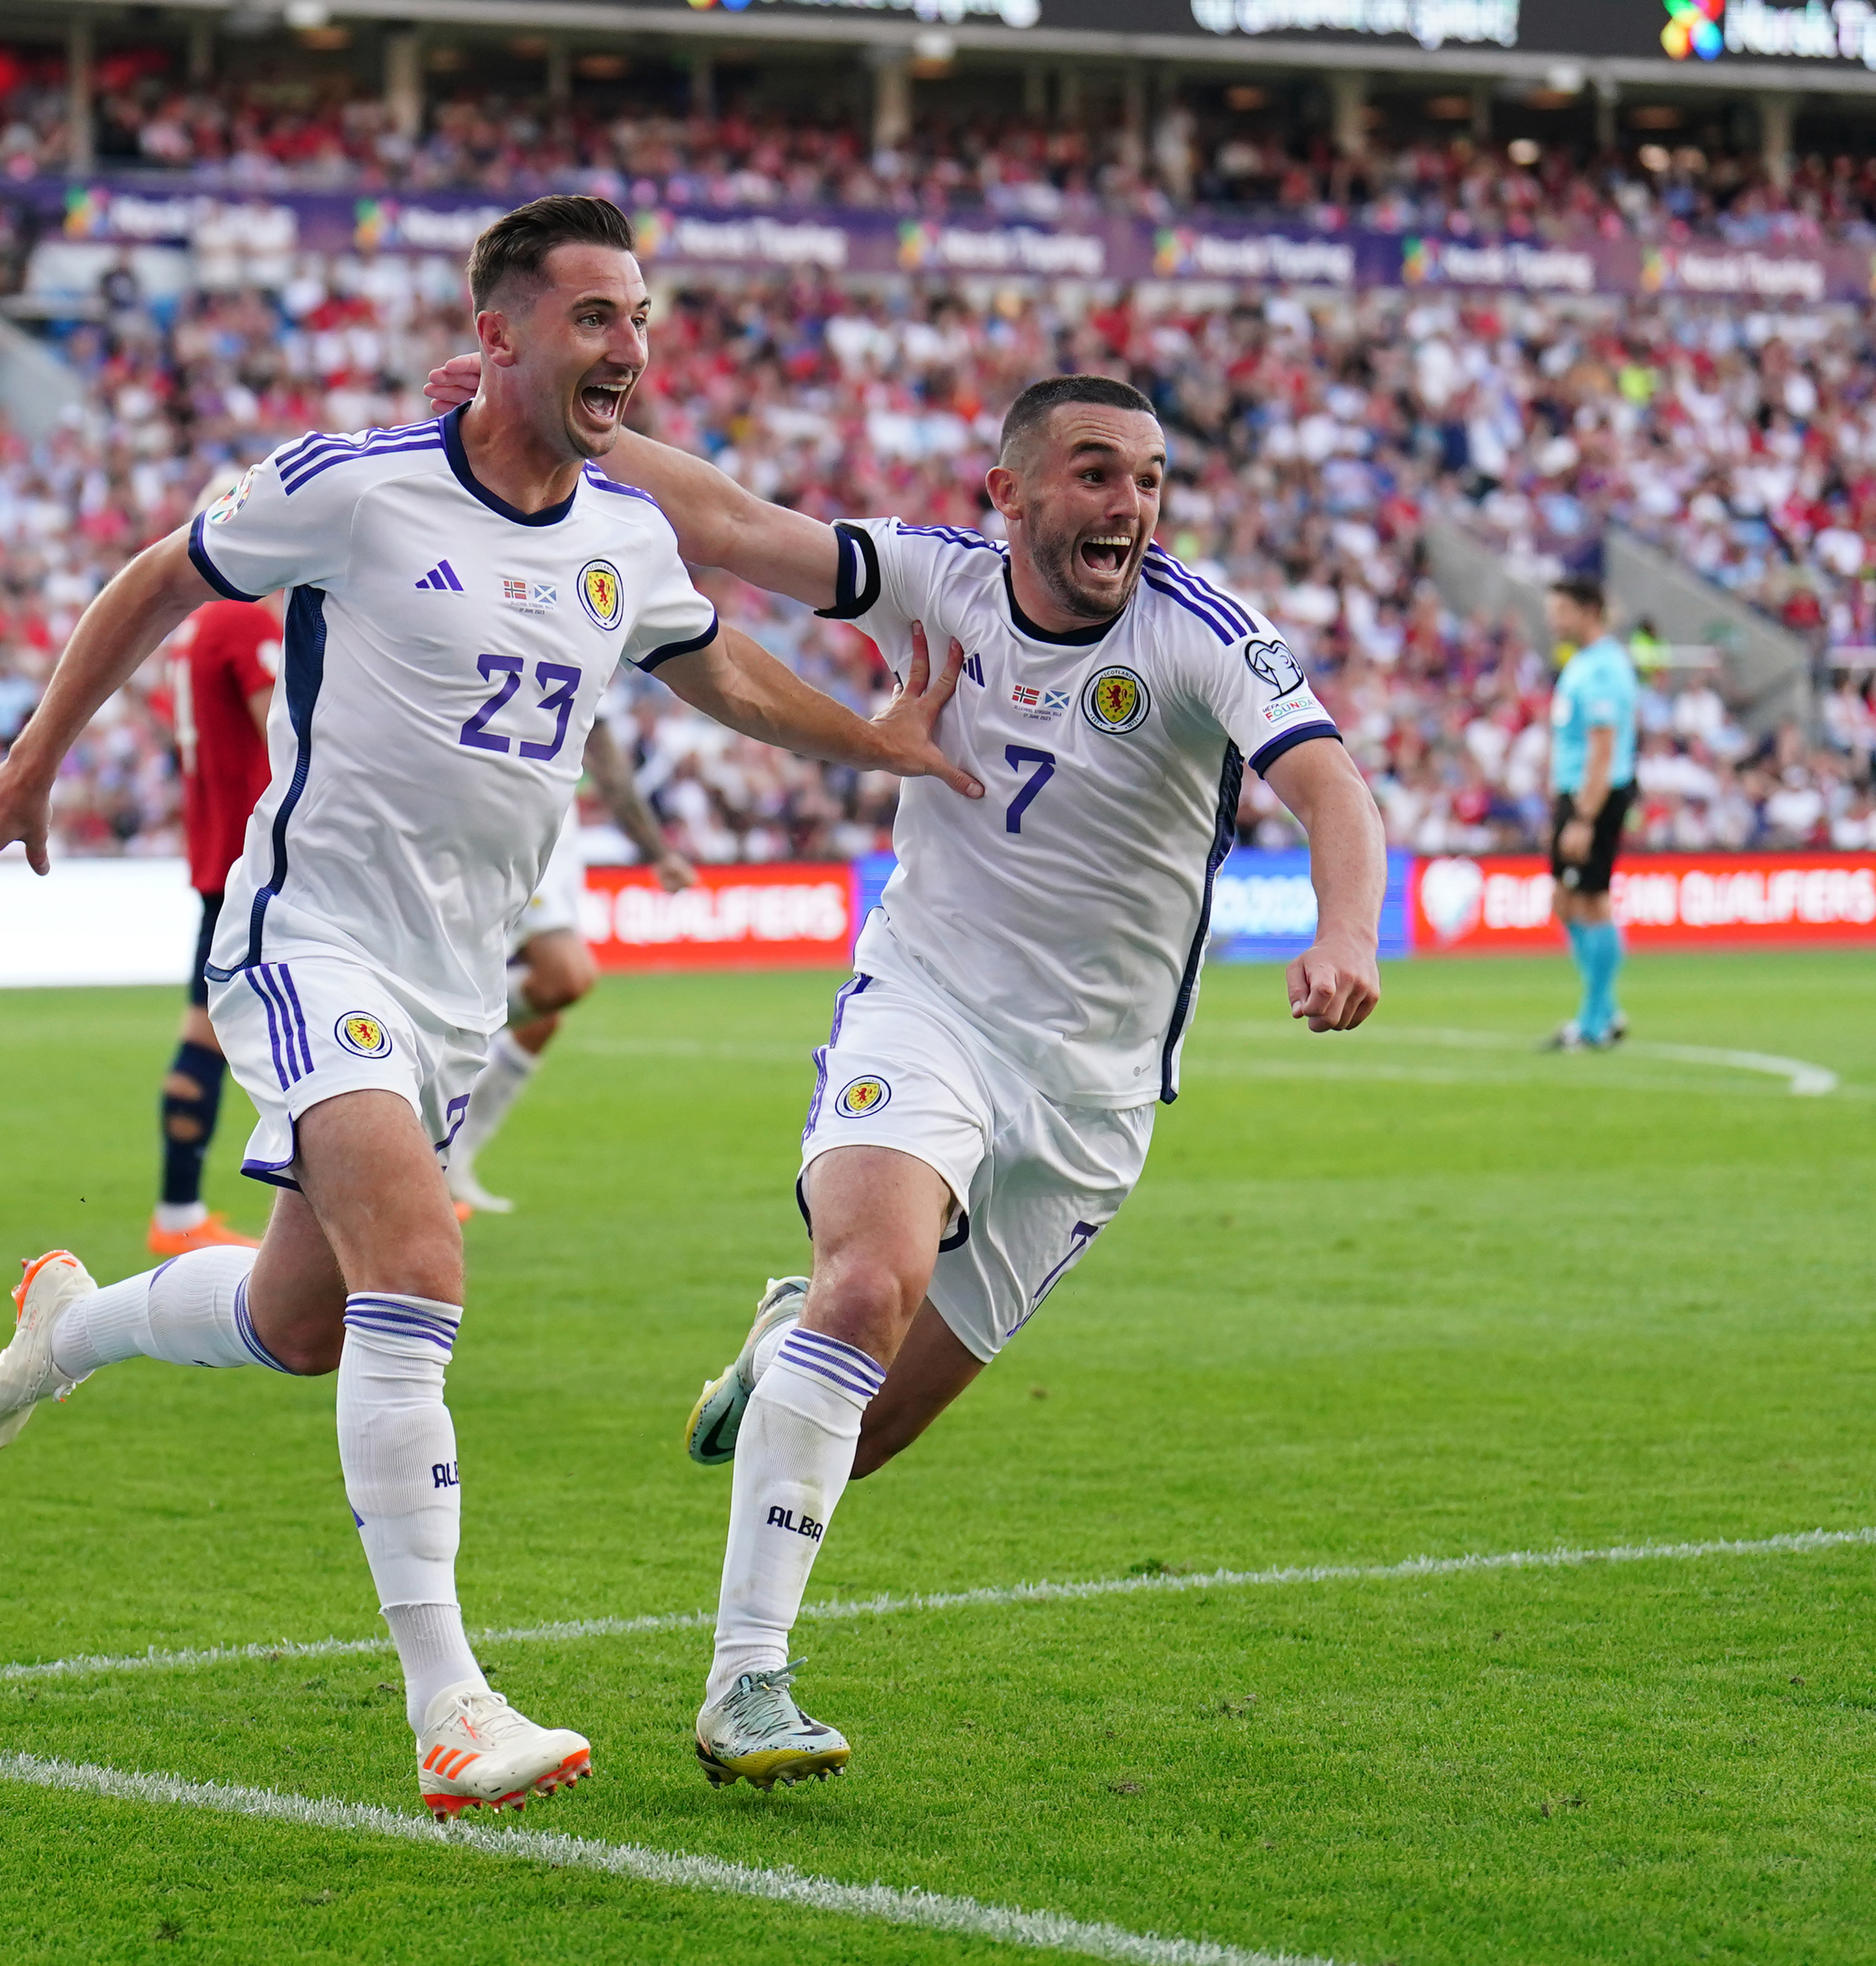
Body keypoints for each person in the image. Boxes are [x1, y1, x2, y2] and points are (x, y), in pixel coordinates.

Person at [0, 195, 978, 1818]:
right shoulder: (355, 485)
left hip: (451, 984)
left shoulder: (623, 535)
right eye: (592, 317)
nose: (627, 347)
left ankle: (76, 1323)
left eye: (638, 317)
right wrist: (31, 759)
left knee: (301, 1317)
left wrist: (872, 737)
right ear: (495, 334)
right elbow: (157, 575)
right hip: (307, 939)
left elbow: (722, 673)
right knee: (420, 1263)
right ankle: (447, 1702)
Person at [425, 358, 1385, 1789]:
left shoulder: (1199, 636)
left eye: (1148, 476)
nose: (1129, 502)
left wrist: (1347, 925)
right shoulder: (936, 582)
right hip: (924, 1007)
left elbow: (1328, 783)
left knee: (854, 1436)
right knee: (869, 1285)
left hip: (1092, 1097)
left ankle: (777, 1340)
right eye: (1095, 470)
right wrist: (581, 420)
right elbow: (736, 527)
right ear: (1009, 492)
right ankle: (746, 1681)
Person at [443, 718, 691, 1217]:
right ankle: (427, 1030)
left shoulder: (593, 648)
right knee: (565, 977)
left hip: (555, 825)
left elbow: (606, 758)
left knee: (543, 1015)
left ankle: (454, 1158)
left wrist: (657, 851)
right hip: (502, 809)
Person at [150, 583, 280, 1256]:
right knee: (311, 1038)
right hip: (259, 862)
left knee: (204, 1037)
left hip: (217, 856)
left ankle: (176, 1210)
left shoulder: (194, 626)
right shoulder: (240, 619)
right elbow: (286, 731)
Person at [1540, 578, 1638, 1052]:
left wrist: (1583, 816)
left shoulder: (1602, 669)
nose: (1553, 620)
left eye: (1561, 610)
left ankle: (1595, 1021)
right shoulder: (1582, 663)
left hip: (1594, 797)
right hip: (1576, 795)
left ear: (1588, 611)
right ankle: (1606, 1008)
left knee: (1593, 902)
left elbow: (1603, 748)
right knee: (1567, 901)